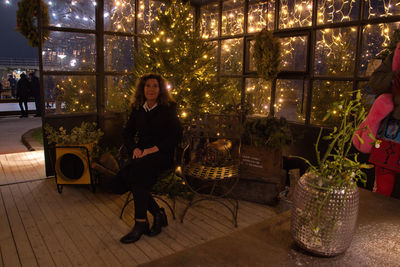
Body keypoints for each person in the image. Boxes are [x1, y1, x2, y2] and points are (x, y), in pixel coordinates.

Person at [102, 74, 182, 244]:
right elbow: (127, 134)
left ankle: (140, 223)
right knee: (137, 176)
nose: (151, 89)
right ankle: (157, 214)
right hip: (141, 154)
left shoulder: (169, 107)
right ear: (142, 89)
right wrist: (135, 148)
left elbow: (175, 136)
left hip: (163, 154)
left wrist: (152, 150)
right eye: (147, 86)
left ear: (160, 90)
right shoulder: (138, 108)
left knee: (133, 174)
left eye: (154, 86)